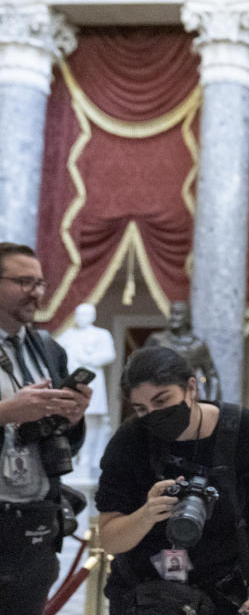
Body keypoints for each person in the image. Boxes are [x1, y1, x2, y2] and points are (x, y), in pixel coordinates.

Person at [95, 346, 249, 615]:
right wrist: (146, 515)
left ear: (191, 387)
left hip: (224, 590)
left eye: (162, 401)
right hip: (144, 594)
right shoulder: (130, 441)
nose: (152, 414)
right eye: (141, 408)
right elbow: (110, 540)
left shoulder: (241, 429)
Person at [0, 242, 93, 614]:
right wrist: (7, 412)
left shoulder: (48, 349)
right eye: (24, 282)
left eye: (39, 283)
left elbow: (63, 438)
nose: (36, 293)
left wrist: (72, 418)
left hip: (34, 523)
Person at [57, 302, 116, 479]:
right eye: (79, 315)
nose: (81, 318)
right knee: (70, 415)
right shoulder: (68, 334)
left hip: (92, 381)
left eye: (85, 315)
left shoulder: (101, 334)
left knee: (92, 420)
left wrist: (89, 358)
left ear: (92, 316)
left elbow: (109, 354)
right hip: (71, 381)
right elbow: (56, 350)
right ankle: (73, 455)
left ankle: (88, 457)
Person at [145, 301, 221, 401]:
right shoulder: (157, 340)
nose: (173, 317)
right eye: (171, 313)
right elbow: (141, 370)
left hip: (187, 399)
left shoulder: (197, 346)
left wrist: (211, 404)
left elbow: (211, 377)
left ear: (188, 317)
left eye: (177, 314)